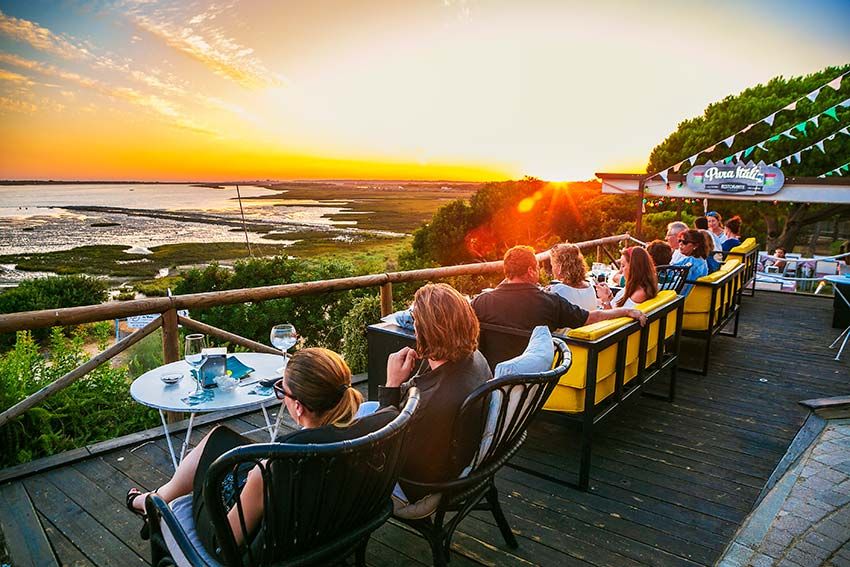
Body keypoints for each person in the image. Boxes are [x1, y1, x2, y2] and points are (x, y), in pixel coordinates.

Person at [126, 348, 395, 556]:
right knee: (219, 437)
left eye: (282, 391)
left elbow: (227, 541)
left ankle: (154, 504)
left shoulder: (277, 463)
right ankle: (156, 498)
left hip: (258, 547)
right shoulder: (374, 431)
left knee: (207, 470)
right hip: (328, 518)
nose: (282, 397)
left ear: (298, 406)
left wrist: (221, 487)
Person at [378, 283, 490, 505]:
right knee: (362, 412)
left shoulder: (430, 402)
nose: (414, 327)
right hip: (453, 452)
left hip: (420, 485)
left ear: (427, 331)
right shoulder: (474, 357)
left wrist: (391, 384)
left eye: (416, 322)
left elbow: (385, 449)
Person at [471, 246, 647, 331]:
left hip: (494, 377)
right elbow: (595, 316)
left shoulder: (482, 301)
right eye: (539, 266)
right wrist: (626, 312)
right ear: (531, 270)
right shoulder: (549, 302)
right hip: (539, 374)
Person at [547, 243, 599, 312]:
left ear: (560, 267)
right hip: (591, 322)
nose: (552, 269)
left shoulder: (558, 290)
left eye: (552, 265)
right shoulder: (590, 287)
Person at [672, 229, 710, 295]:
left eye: (685, 242)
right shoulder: (699, 260)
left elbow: (682, 288)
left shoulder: (692, 263)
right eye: (679, 240)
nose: (680, 244)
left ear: (695, 245)